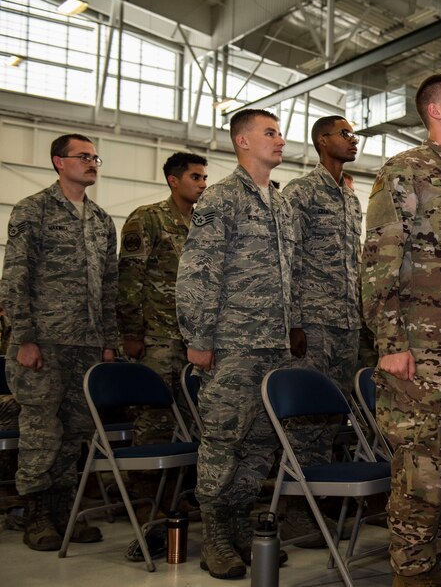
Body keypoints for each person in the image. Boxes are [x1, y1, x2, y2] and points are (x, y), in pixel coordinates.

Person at [361, 73, 441, 586]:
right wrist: (390, 345)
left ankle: (433, 564)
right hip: (420, 347)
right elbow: (379, 259)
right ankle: (410, 575)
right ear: (434, 111)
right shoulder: (405, 170)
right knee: (421, 471)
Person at [176, 109, 298, 579]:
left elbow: (290, 279)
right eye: (269, 132)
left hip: (273, 344)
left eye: (280, 132)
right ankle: (215, 537)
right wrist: (199, 337)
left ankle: (241, 523)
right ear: (242, 141)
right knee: (223, 439)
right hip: (230, 343)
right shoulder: (222, 198)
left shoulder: (280, 204)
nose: (279, 139)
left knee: (262, 442)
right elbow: (197, 271)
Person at [1, 133, 117, 551]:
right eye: (82, 157)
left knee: (76, 432)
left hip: (86, 345)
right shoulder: (34, 210)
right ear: (58, 162)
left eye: (94, 157)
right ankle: (35, 516)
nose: (91, 163)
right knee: (41, 430)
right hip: (44, 343)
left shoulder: (102, 220)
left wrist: (108, 341)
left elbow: (109, 285)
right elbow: (15, 277)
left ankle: (65, 512)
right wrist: (25, 337)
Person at [116, 151, 207, 559]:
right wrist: (132, 331)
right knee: (152, 421)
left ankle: (176, 500)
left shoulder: (203, 224)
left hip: (193, 340)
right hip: (156, 337)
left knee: (189, 422)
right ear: (173, 180)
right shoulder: (147, 218)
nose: (202, 183)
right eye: (195, 176)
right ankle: (143, 505)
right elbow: (130, 277)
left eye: (205, 176)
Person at [280, 116, 362, 542]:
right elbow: (287, 260)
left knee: (333, 418)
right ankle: (295, 508)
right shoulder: (301, 192)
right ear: (321, 140)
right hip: (312, 321)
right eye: (345, 134)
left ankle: (318, 502)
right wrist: (293, 321)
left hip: (345, 322)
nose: (353, 141)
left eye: (354, 135)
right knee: (305, 418)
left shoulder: (350, 199)